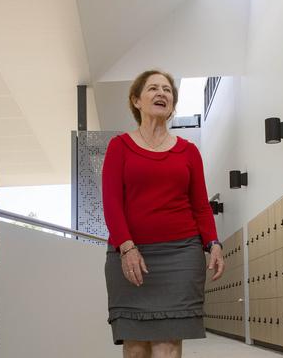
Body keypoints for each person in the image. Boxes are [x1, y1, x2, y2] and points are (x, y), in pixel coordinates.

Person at [102, 69, 225, 358]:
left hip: (181, 255)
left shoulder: (188, 152)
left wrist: (213, 242)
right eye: (153, 89)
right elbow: (111, 203)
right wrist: (127, 247)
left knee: (167, 346)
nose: (162, 93)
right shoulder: (119, 147)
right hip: (131, 255)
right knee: (135, 348)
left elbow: (201, 205)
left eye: (167, 90)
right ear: (136, 100)